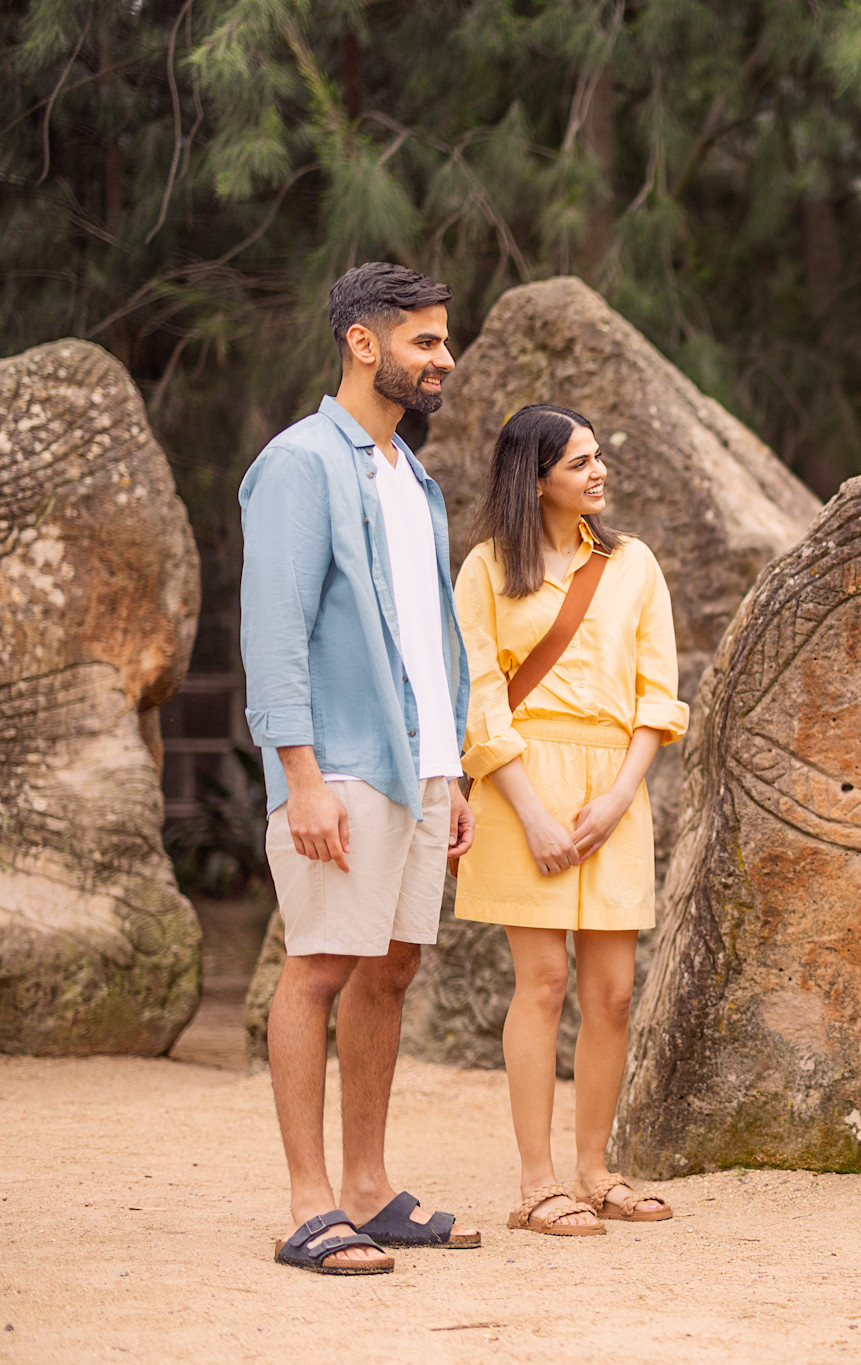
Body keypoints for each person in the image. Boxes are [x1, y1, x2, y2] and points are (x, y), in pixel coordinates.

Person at [241, 262, 481, 1275]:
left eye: (443, 340)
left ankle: (369, 1190)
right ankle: (308, 1206)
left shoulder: (407, 476)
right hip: (336, 764)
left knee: (391, 969)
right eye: (425, 340)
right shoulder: (301, 464)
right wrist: (299, 775)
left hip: (419, 767)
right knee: (319, 967)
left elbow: (428, 635)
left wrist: (452, 766)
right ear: (362, 342)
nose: (444, 358)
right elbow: (273, 629)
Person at [453, 404, 689, 1235]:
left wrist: (624, 792)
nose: (599, 472)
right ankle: (536, 1182)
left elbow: (657, 694)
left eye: (599, 456)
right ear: (536, 476)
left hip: (615, 786)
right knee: (544, 982)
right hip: (522, 784)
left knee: (615, 993)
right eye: (580, 462)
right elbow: (479, 696)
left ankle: (595, 1170)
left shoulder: (633, 564)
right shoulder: (486, 568)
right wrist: (530, 811)